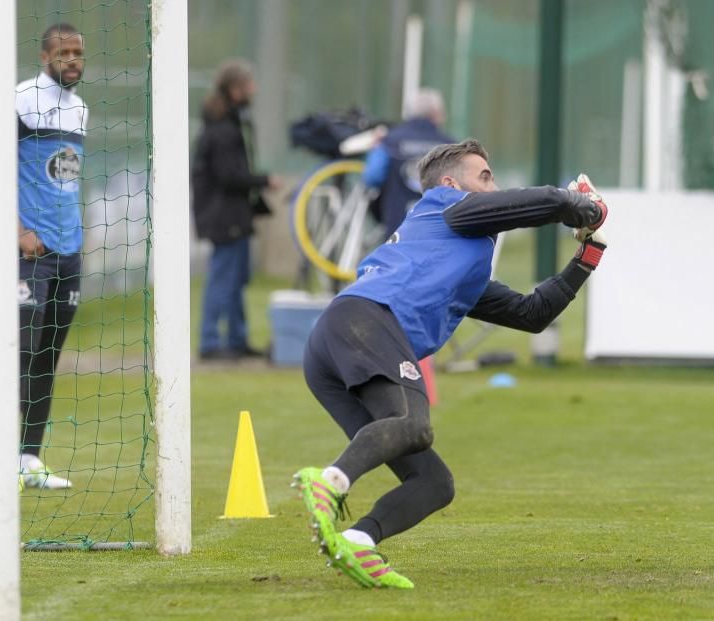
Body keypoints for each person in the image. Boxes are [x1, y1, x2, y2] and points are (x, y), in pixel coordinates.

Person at [293, 139, 609, 589]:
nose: (494, 186)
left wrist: (588, 255)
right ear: (449, 183)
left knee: (433, 482)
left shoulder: (456, 257)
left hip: (333, 343)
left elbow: (531, 314)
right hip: (366, 320)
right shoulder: (448, 207)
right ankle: (331, 481)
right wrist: (580, 206)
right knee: (414, 425)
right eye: (485, 176)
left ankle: (358, 540)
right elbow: (538, 203)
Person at [14, 23, 89, 489]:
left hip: (68, 252)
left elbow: (66, 177)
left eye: (78, 53)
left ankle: (29, 458)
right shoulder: (21, 99)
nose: (73, 60)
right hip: (28, 252)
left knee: (47, 355)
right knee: (18, 350)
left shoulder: (80, 110)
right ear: (45, 57)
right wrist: (16, 231)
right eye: (63, 53)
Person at [191, 59, 280, 361]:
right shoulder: (223, 131)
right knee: (223, 277)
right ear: (235, 89)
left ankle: (237, 339)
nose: (254, 89)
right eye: (249, 84)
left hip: (235, 215)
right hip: (223, 215)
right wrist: (264, 181)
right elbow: (229, 175)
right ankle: (210, 342)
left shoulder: (232, 124)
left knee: (237, 278)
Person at [362, 88, 455, 238]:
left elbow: (373, 177)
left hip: (398, 226)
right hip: (438, 229)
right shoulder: (451, 146)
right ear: (437, 114)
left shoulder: (389, 141)